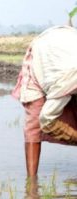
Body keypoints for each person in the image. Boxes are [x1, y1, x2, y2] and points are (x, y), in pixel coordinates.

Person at [12, 25, 77, 176]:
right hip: (44, 55)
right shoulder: (66, 80)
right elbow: (46, 119)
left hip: (66, 48)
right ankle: (32, 184)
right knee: (34, 121)